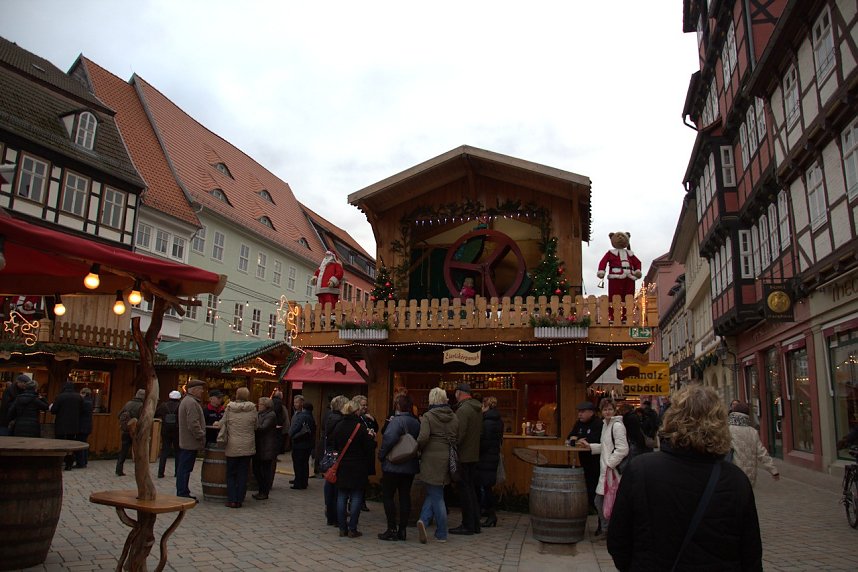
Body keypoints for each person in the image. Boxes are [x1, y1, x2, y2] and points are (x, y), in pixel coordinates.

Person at [608, 385, 762, 571]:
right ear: (720, 423)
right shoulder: (736, 480)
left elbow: (618, 540)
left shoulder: (641, 470)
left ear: (672, 418)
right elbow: (751, 554)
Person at [578, 398, 628, 538]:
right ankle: (609, 530)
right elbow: (605, 446)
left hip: (612, 471)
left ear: (614, 410)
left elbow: (623, 449)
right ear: (601, 411)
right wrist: (591, 446)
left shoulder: (617, 426)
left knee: (604, 501)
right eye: (605, 409)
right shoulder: (606, 425)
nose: (608, 412)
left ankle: (610, 531)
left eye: (610, 409)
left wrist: (610, 464)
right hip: (606, 470)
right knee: (603, 501)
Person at [416, 386, 459, 544]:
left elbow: (423, 437)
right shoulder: (454, 417)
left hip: (431, 458)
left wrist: (417, 449)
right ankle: (423, 520)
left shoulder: (428, 416)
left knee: (437, 495)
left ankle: (441, 532)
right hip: (447, 457)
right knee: (435, 491)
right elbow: (457, 436)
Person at [376, 393, 420, 541]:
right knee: (404, 496)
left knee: (388, 496)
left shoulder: (397, 421)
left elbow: (389, 438)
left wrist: (381, 455)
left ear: (398, 406)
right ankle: (403, 530)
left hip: (393, 464)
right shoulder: (416, 422)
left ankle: (391, 528)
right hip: (410, 464)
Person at [330, 397, 375, 538]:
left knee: (342, 496)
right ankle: (352, 527)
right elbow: (369, 448)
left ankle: (342, 527)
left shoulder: (339, 426)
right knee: (356, 496)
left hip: (343, 465)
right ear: (356, 412)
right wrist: (371, 438)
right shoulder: (360, 428)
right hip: (358, 465)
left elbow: (335, 444)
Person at [450, 383, 484, 535]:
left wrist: (451, 442)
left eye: (456, 393)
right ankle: (475, 524)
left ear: (459, 393)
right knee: (471, 490)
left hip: (463, 456)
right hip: (473, 455)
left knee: (465, 491)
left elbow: (459, 434)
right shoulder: (477, 409)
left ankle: (467, 525)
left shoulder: (463, 410)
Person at [217, 387, 257, 508]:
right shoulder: (253, 408)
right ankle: (240, 499)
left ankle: (232, 499)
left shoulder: (230, 408)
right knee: (243, 474)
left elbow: (222, 423)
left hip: (232, 445)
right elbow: (256, 425)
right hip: (247, 445)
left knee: (231, 474)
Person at [566, 400, 604, 520]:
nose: (579, 414)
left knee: (595, 487)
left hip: (596, 461)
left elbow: (593, 440)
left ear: (591, 412)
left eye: (582, 412)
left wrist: (577, 439)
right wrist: (578, 440)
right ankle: (591, 509)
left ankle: (599, 515)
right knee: (587, 485)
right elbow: (570, 437)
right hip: (584, 461)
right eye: (579, 412)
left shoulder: (598, 424)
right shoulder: (579, 423)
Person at [728, 402, 779, 487]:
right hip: (750, 475)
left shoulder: (728, 430)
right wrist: (773, 470)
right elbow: (762, 453)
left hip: (733, 473)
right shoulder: (753, 432)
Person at [176, 379, 207, 501]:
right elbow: (193, 423)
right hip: (190, 441)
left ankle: (183, 490)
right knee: (185, 468)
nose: (202, 391)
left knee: (184, 467)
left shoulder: (187, 401)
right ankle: (182, 492)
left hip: (187, 441)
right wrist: (200, 435)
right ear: (194, 390)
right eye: (200, 389)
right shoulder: (191, 403)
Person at [477, 396, 503, 528]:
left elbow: (484, 442)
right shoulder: (498, 420)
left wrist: (477, 450)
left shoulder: (487, 422)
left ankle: (491, 514)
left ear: (486, 406)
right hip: (493, 456)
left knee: (486, 487)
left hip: (486, 458)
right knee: (487, 487)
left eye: (482, 406)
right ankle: (490, 513)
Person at [323, 395, 349, 526]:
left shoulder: (329, 417)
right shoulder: (340, 420)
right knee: (336, 487)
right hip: (338, 454)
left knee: (329, 483)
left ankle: (330, 513)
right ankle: (337, 517)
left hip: (329, 453)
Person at [50, 380, 83, 471]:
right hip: (73, 425)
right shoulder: (78, 397)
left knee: (59, 444)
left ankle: (58, 463)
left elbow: (53, 410)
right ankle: (69, 464)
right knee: (70, 445)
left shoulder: (60, 397)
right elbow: (81, 410)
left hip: (61, 424)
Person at [115, 388, 145, 476]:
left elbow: (119, 414)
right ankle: (139, 472)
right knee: (138, 452)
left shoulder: (128, 403)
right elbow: (142, 420)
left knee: (123, 450)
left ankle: (118, 469)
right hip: (136, 432)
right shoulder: (141, 406)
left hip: (126, 430)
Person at [355, 394, 378, 511]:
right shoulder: (357, 419)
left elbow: (376, 429)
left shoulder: (368, 417)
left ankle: (361, 501)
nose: (365, 407)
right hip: (360, 453)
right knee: (359, 478)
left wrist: (373, 420)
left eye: (366, 405)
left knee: (364, 478)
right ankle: (357, 502)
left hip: (368, 452)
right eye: (363, 405)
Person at [253, 396, 278, 501]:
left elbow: (263, 428)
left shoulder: (271, 415)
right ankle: (261, 490)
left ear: (266, 406)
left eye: (261, 404)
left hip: (266, 447)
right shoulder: (260, 414)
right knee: (257, 469)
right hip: (260, 446)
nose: (259, 406)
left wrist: (253, 424)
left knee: (264, 471)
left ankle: (264, 492)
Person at [289, 395, 316, 489]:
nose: (295, 404)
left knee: (299, 463)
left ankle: (299, 482)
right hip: (305, 444)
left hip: (300, 443)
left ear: (302, 404)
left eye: (297, 402)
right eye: (294, 402)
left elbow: (295, 428)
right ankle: (300, 480)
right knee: (303, 463)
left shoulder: (302, 415)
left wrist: (291, 434)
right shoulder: (306, 415)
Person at [155, 390, 182, 479]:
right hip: (177, 430)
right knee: (177, 451)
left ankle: (160, 472)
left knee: (164, 451)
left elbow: (156, 414)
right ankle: (177, 472)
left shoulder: (163, 405)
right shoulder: (180, 406)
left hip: (165, 430)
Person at [75, 387, 94, 468]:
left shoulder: (84, 402)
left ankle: (81, 462)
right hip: (87, 425)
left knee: (81, 444)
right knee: (84, 443)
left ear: (84, 393)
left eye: (81, 393)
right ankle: (84, 461)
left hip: (82, 426)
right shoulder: (90, 401)